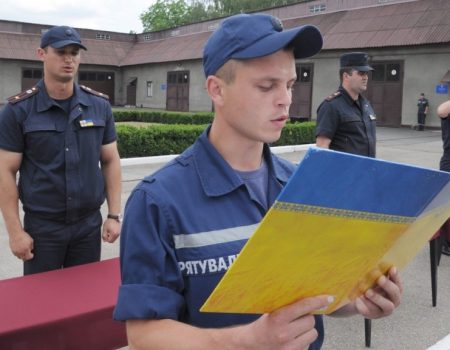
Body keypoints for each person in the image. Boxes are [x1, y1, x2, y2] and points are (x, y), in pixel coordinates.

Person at [113, 14, 402, 350]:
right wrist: (246, 341)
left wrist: (358, 297)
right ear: (216, 89)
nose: (286, 99)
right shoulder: (158, 202)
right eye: (267, 86)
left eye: (290, 85)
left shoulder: (301, 185)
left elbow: (318, 290)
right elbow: (144, 334)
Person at [0, 26, 122, 275]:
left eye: (74, 52)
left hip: (88, 227)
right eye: (61, 52)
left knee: (84, 301)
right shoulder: (19, 110)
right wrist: (15, 232)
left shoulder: (98, 106)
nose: (69, 59)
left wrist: (113, 215)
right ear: (41, 53)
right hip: (43, 229)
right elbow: (5, 170)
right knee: (41, 305)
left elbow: (110, 160)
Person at [315, 52, 377, 157]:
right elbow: (322, 147)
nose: (365, 77)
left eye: (366, 74)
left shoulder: (366, 105)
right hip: (344, 171)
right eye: (361, 73)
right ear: (346, 76)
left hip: (366, 170)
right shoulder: (331, 106)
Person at [436, 100, 450, 255]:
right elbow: (441, 111)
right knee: (446, 206)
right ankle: (445, 242)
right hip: (449, 162)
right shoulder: (447, 112)